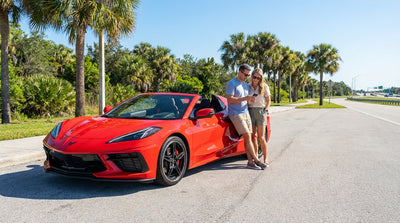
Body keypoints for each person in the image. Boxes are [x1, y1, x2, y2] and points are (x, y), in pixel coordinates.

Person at [226, 64, 267, 170]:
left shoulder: (245, 85)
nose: (246, 77)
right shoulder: (232, 83)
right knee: (248, 136)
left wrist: (251, 100)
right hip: (236, 114)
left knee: (249, 137)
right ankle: (257, 160)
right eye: (245, 74)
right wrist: (244, 98)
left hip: (246, 112)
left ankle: (250, 162)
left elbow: (247, 99)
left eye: (248, 75)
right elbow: (230, 99)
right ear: (239, 72)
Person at [248, 68, 271, 166]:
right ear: (251, 76)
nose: (255, 79)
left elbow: (268, 100)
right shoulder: (247, 86)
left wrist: (266, 109)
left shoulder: (264, 87)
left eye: (258, 77)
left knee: (261, 137)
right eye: (254, 76)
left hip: (261, 111)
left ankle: (265, 159)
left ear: (261, 78)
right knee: (253, 136)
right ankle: (256, 158)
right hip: (250, 111)